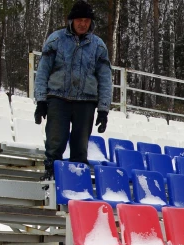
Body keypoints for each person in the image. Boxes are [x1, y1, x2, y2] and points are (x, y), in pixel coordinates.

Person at [34, 0, 113, 180]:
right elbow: (43, 71)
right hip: (58, 98)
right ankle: (51, 176)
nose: (83, 24)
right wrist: (40, 101)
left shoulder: (98, 46)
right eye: (79, 20)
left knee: (80, 146)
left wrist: (103, 110)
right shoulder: (55, 40)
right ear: (71, 21)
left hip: (85, 102)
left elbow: (105, 79)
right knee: (55, 142)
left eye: (86, 20)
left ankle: (77, 181)